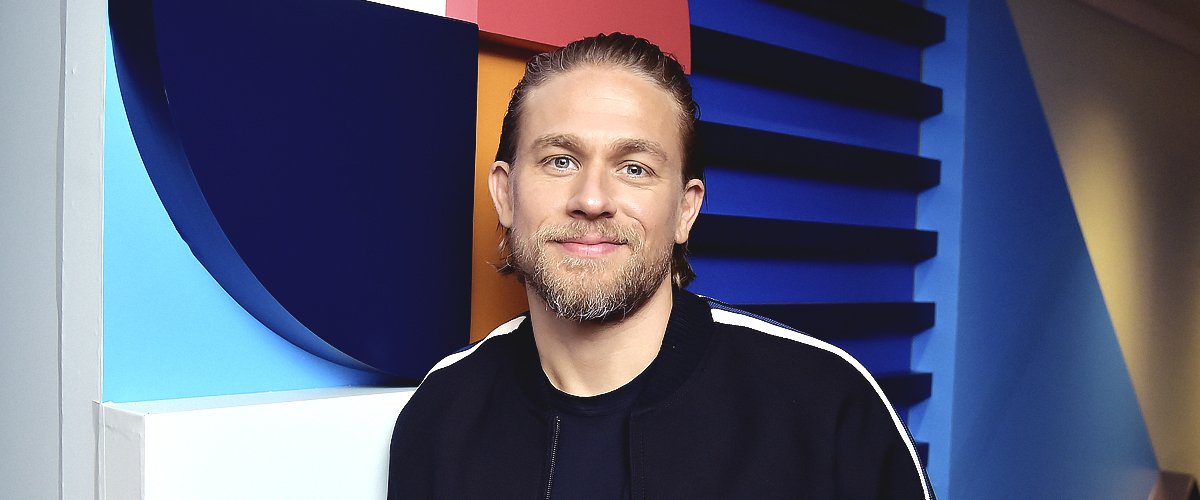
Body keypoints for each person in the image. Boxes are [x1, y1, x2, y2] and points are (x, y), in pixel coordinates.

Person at [388, 32, 933, 499]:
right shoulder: (442, 414)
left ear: (685, 210)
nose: (593, 198)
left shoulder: (827, 405)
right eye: (560, 160)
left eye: (634, 167)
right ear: (505, 195)